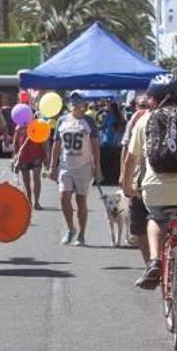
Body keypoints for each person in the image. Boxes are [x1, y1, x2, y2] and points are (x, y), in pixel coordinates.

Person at [126, 74, 177, 322]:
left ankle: (154, 260)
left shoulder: (145, 120)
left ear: (152, 99)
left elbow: (131, 159)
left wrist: (126, 184)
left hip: (156, 189)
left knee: (155, 217)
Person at [49, 90, 102, 246]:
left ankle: (82, 234)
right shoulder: (62, 120)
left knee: (81, 201)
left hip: (83, 166)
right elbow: (56, 145)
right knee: (64, 197)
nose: (76, 106)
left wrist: (97, 167)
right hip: (66, 165)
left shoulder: (89, 121)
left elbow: (95, 146)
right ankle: (70, 228)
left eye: (78, 103)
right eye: (73, 103)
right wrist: (53, 166)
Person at [119, 96, 151, 264]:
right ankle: (151, 266)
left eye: (147, 105)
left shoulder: (146, 120)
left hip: (151, 179)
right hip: (139, 175)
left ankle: (158, 262)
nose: (143, 108)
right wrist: (123, 175)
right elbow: (126, 150)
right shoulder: (135, 120)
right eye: (140, 105)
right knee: (139, 230)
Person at [12, 116, 47, 210]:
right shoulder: (19, 127)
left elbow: (42, 141)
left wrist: (45, 157)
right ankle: (29, 201)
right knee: (26, 181)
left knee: (36, 178)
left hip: (37, 155)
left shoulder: (36, 126)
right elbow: (15, 143)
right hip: (24, 156)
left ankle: (36, 202)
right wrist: (15, 156)